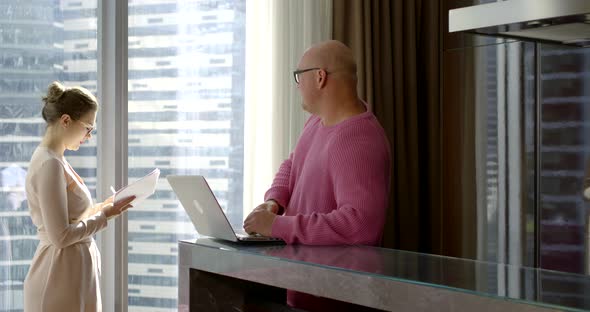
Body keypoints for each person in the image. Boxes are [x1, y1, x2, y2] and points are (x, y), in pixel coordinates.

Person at [243, 40, 391, 246]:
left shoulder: (359, 140)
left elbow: (361, 225)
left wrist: (276, 226)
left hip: (331, 275)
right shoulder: (316, 121)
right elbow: (293, 165)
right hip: (300, 267)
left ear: (319, 77)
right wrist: (274, 202)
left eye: (299, 76)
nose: (297, 85)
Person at [24, 82, 134, 312]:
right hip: (58, 276)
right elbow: (61, 237)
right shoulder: (50, 164)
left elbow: (71, 218)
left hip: (70, 275)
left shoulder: (56, 159)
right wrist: (105, 215)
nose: (89, 136)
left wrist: (102, 207)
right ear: (66, 120)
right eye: (88, 128)